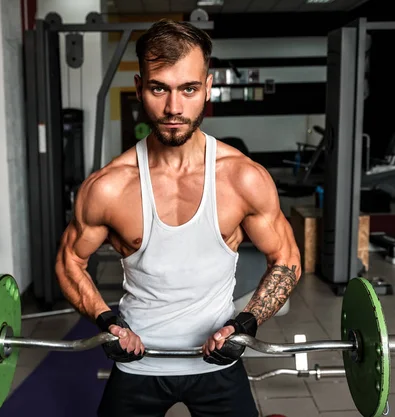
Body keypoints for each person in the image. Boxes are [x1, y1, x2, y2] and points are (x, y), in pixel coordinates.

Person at [55, 18, 301, 417]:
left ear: (207, 89)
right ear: (139, 89)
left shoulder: (242, 179)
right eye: (159, 88)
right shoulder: (110, 188)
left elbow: (287, 259)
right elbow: (69, 262)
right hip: (138, 362)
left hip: (218, 361)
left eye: (188, 89)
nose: (173, 108)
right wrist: (106, 321)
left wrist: (248, 322)